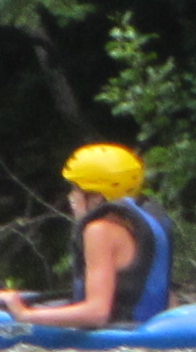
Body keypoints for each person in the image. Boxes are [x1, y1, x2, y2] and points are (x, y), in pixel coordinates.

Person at [4, 144, 175, 336]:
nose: (71, 197)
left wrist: (25, 315)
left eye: (75, 189)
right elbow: (166, 299)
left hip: (117, 336)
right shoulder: (144, 222)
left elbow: (97, 312)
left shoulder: (99, 230)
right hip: (146, 325)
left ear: (96, 197)